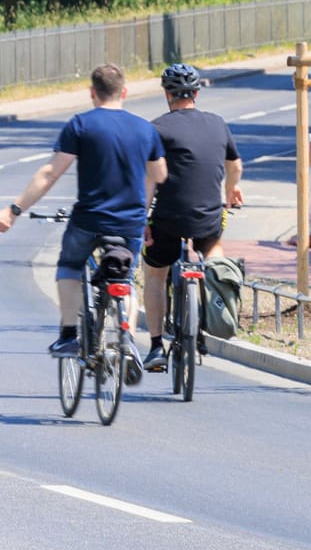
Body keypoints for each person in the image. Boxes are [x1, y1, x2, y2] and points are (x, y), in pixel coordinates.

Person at [0, 64, 166, 355]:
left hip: (89, 220)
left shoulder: (81, 124)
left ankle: (67, 335)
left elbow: (50, 173)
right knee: (124, 279)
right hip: (130, 223)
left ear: (92, 93)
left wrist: (14, 210)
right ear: (124, 92)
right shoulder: (145, 129)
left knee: (69, 266)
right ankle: (125, 339)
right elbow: (160, 174)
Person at [140, 64, 244, 372]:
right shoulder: (218, 123)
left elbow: (148, 179)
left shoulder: (156, 128)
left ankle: (157, 345)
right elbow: (234, 165)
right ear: (197, 93)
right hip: (208, 217)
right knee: (213, 251)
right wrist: (231, 190)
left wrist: (143, 219)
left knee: (155, 273)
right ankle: (212, 309)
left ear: (167, 95)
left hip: (168, 219)